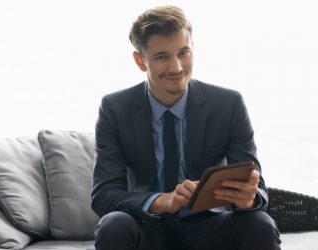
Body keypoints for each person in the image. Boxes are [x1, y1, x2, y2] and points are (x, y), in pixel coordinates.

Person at [91, 5, 281, 250]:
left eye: (183, 52)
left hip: (211, 226)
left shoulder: (229, 104)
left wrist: (248, 198)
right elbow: (104, 195)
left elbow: (259, 193)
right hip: (148, 227)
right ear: (141, 60)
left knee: (260, 223)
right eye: (162, 56)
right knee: (113, 224)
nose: (177, 67)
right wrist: (161, 201)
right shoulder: (114, 108)